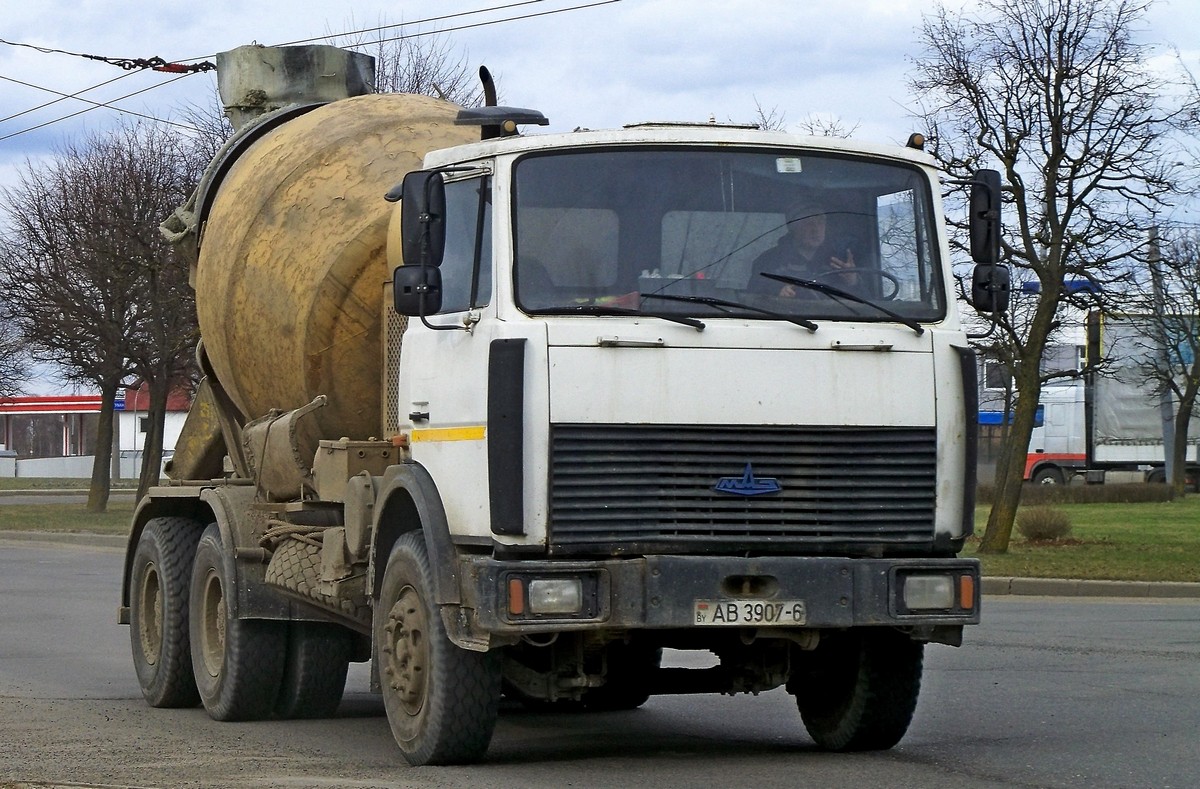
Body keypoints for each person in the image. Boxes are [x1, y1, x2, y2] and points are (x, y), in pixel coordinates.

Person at [750, 196, 859, 296]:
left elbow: (867, 306)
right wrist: (777, 294)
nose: (816, 229)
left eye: (821, 222)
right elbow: (752, 300)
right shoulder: (768, 262)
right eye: (808, 223)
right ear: (792, 227)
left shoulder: (838, 263)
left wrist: (852, 281)